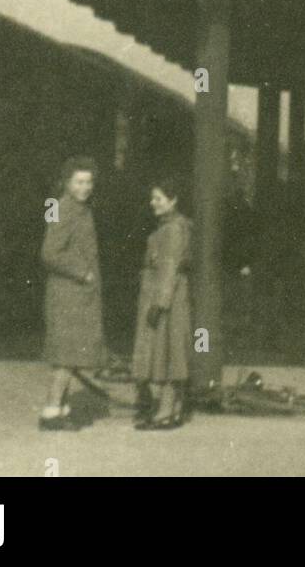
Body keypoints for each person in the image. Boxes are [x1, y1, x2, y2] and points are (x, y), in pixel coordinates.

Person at [39, 156, 107, 431]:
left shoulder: (79, 208)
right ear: (67, 182)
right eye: (79, 181)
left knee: (69, 355)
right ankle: (51, 413)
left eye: (89, 181)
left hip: (76, 296)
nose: (85, 187)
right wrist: (83, 272)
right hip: (68, 296)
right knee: (66, 358)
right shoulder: (64, 209)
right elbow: (49, 252)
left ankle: (61, 409)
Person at [131, 178, 192, 430]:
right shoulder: (173, 226)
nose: (153, 203)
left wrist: (159, 304)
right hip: (171, 298)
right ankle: (172, 409)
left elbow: (169, 266)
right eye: (153, 198)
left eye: (159, 198)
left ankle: (164, 413)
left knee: (167, 354)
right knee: (170, 352)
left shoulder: (172, 229)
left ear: (173, 199)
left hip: (165, 301)